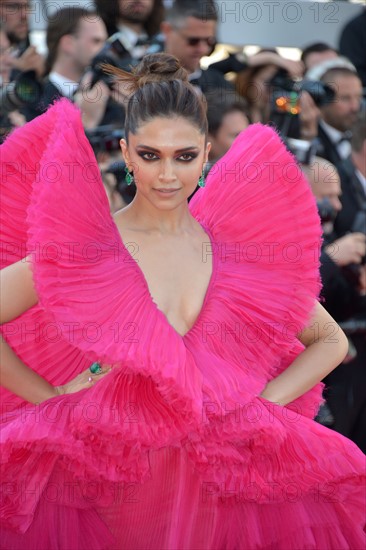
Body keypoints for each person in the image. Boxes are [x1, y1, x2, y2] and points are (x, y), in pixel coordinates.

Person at [0, 53, 365, 550]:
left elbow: (328, 338)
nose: (167, 175)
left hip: (220, 480)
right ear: (126, 154)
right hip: (111, 474)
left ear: (208, 151)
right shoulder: (85, 250)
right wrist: (50, 398)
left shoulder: (239, 254)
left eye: (184, 156)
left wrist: (262, 408)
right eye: (150, 155)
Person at [24, 7, 107, 121]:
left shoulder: (105, 97)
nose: (104, 49)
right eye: (96, 41)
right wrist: (87, 120)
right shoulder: (33, 100)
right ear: (68, 44)